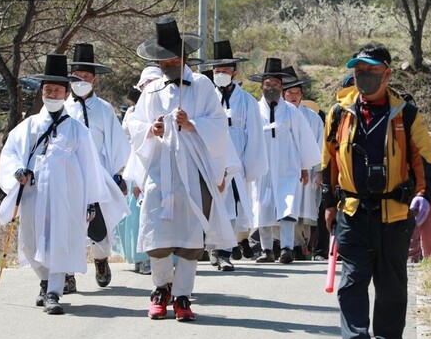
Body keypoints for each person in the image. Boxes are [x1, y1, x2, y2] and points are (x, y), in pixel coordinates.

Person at [322, 43, 431, 339]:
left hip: (396, 212)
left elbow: (423, 160)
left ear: (387, 73)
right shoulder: (339, 113)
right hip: (353, 211)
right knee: (353, 279)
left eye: (371, 70)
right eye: (359, 70)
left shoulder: (407, 114)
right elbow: (328, 162)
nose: (364, 76)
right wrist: (328, 203)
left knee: (391, 280)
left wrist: (423, 195)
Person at [124, 17, 234, 321]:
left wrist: (192, 124)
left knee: (190, 239)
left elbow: (219, 124)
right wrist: (151, 129)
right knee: (156, 237)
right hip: (160, 171)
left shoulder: (202, 85)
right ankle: (161, 288)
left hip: (194, 171)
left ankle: (183, 295)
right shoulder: (151, 90)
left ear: (184, 57)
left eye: (172, 58)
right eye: (162, 60)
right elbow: (133, 124)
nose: (167, 64)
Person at [0, 54, 110, 315]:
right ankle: (44, 280)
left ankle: (53, 292)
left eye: (57, 90)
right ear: (42, 91)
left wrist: (91, 201)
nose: (52, 93)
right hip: (34, 196)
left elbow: (90, 167)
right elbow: (11, 153)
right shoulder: (28, 127)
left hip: (66, 198)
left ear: (65, 93)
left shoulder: (77, 130)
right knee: (30, 242)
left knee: (60, 241)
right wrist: (18, 172)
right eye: (48, 89)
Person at [63, 43, 131, 292]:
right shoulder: (63, 108)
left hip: (98, 177)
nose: (81, 81)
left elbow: (117, 145)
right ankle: (67, 273)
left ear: (95, 79)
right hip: (69, 176)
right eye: (76, 77)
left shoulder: (104, 109)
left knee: (99, 227)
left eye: (86, 78)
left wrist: (117, 175)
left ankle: (101, 260)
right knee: (69, 226)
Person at [201, 40, 268, 271]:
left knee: (230, 207)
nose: (220, 74)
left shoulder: (247, 101)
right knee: (210, 205)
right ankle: (211, 248)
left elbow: (255, 137)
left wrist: (249, 167)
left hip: (236, 163)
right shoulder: (205, 97)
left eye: (225, 71)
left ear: (234, 73)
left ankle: (224, 252)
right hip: (210, 159)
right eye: (217, 71)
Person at [249, 59, 320, 264]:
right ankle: (266, 250)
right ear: (262, 86)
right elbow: (248, 137)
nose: (271, 88)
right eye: (268, 85)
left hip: (288, 167)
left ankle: (287, 248)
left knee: (287, 207)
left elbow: (303, 139)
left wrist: (305, 167)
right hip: (262, 167)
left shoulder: (291, 111)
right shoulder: (254, 110)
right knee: (262, 207)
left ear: (281, 87)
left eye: (276, 85)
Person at [117, 65, 163, 275]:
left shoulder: (166, 109)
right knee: (138, 213)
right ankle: (142, 257)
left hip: (163, 168)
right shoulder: (132, 114)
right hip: (138, 167)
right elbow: (129, 145)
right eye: (147, 83)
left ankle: (164, 256)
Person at [283, 71, 324, 260]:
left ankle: (299, 245)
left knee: (303, 207)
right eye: (289, 92)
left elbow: (319, 145)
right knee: (282, 205)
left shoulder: (313, 118)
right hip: (282, 169)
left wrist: (318, 171)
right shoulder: (277, 114)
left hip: (306, 169)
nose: (293, 96)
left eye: (296, 92)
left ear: (302, 94)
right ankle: (282, 245)